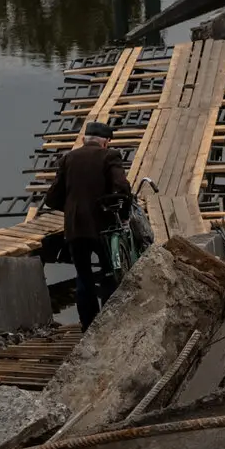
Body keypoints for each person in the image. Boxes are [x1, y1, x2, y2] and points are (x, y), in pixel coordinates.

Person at [45, 121, 135, 329]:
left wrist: (70, 209)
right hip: (103, 227)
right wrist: (123, 215)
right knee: (109, 273)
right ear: (105, 142)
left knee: (83, 276)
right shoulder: (110, 156)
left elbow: (51, 198)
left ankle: (88, 325)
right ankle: (108, 325)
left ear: (85, 139)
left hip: (75, 228)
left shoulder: (68, 158)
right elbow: (121, 188)